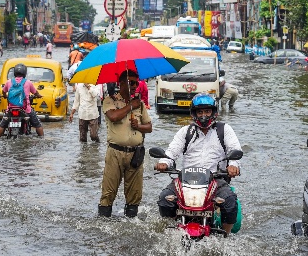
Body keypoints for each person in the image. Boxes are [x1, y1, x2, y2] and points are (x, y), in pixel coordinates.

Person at [155, 93, 242, 234]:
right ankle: (170, 232)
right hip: (186, 180)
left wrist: (233, 165)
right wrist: (163, 162)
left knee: (230, 202)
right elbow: (172, 151)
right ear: (193, 113)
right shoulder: (185, 131)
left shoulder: (224, 130)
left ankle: (226, 236)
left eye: (207, 111)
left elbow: (235, 150)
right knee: (165, 199)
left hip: (215, 179)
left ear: (214, 112)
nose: (204, 115)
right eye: (200, 112)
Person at [99, 70, 153, 218]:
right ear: (121, 83)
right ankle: (103, 223)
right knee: (108, 192)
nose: (135, 86)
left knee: (134, 193)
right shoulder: (110, 100)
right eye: (131, 83)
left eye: (137, 83)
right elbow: (114, 116)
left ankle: (131, 218)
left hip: (136, 153)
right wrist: (130, 106)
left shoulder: (140, 104)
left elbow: (149, 127)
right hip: (115, 152)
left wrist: (139, 126)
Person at [0, 63, 44, 137]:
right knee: (37, 124)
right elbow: (35, 92)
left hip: (11, 109)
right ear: (25, 73)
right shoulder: (28, 82)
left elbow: (3, 91)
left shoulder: (9, 82)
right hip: (25, 109)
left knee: (2, 125)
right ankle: (42, 138)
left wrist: (5, 96)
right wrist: (39, 95)